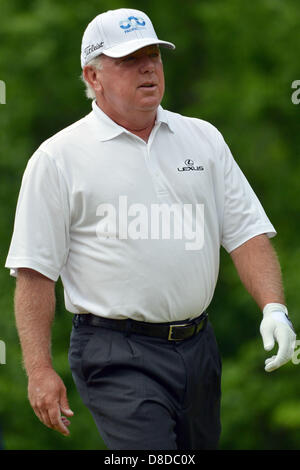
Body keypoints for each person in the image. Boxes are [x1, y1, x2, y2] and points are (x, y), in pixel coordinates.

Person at [5, 8, 296, 450]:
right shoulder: (57, 158)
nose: (148, 67)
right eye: (129, 59)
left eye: (154, 55)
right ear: (93, 75)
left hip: (200, 346)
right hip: (116, 353)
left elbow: (245, 233)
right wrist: (40, 371)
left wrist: (274, 309)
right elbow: (35, 273)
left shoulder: (202, 138)